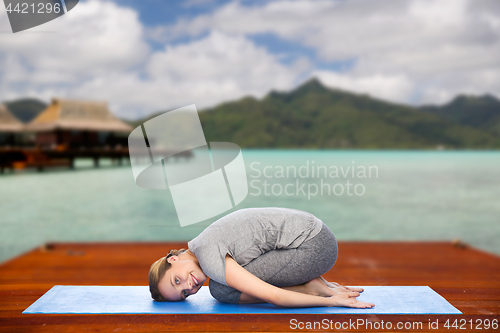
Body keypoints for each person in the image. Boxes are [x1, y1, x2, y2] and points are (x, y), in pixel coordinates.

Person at [148, 207, 374, 308]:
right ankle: (314, 282)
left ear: (173, 260)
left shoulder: (209, 256)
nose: (189, 287)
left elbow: (275, 296)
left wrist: (330, 301)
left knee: (221, 290)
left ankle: (310, 286)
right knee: (223, 283)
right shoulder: (200, 242)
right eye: (185, 294)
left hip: (315, 248)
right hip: (317, 234)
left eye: (176, 281)